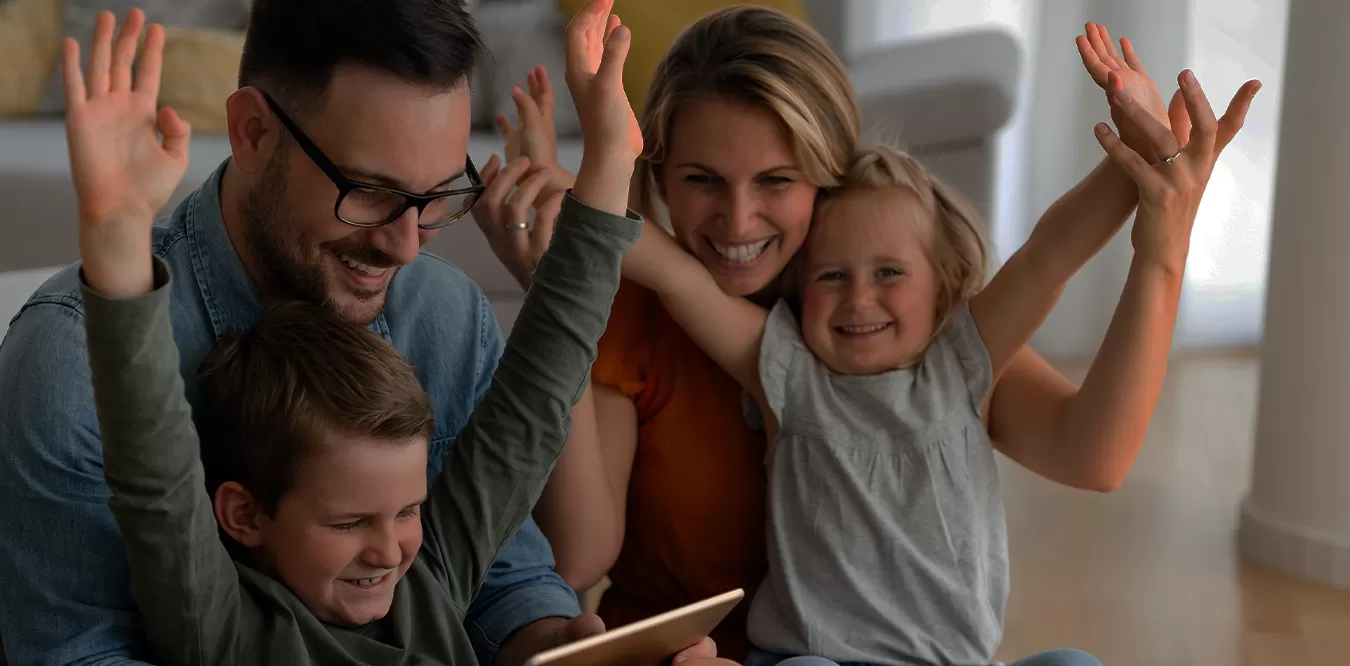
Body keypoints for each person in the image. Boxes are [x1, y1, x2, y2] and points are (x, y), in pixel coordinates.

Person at [478, 12, 1239, 662]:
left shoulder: (915, 329)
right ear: (661, 174)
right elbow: (578, 556)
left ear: (827, 175)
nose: (738, 223)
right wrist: (566, 275)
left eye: (777, 180)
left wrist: (1160, 191)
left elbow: (1088, 435)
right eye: (703, 180)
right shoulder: (672, 321)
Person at [0, 1, 623, 664]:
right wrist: (119, 248)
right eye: (369, 190)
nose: (406, 246)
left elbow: (510, 544)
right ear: (253, 132)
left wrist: (568, 650)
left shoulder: (443, 313)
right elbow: (152, 494)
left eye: (436, 197)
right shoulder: (68, 365)